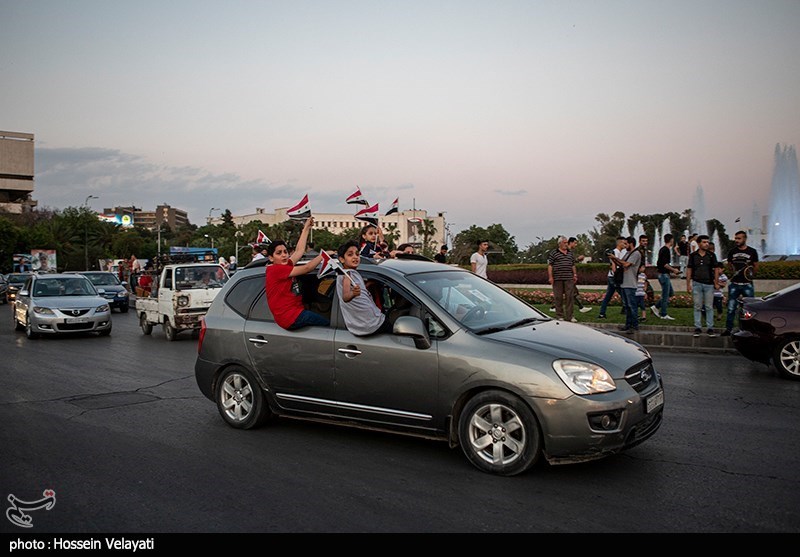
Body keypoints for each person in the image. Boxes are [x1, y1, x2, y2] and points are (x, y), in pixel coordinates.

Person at [265, 217, 329, 330]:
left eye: (285, 252)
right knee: (330, 326)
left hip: (295, 312)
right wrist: (324, 256)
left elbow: (299, 251)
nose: (284, 255)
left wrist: (306, 228)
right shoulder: (275, 270)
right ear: (271, 258)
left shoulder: (286, 265)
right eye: (279, 253)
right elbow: (307, 268)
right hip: (289, 317)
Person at [335, 240, 390, 336]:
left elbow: (360, 290)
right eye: (350, 255)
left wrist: (367, 285)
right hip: (371, 324)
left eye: (357, 254)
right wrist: (353, 294)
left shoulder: (352, 273)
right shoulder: (347, 275)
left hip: (368, 323)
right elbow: (346, 296)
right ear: (342, 259)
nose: (355, 257)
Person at [722, 230, 759, 336]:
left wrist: (750, 275)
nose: (737, 240)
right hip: (735, 284)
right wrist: (733, 272)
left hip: (747, 284)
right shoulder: (732, 252)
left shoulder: (752, 251)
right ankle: (729, 329)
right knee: (731, 308)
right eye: (736, 238)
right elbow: (729, 264)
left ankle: (750, 329)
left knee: (749, 308)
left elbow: (756, 266)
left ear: (745, 239)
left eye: (739, 238)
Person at [686, 234, 720, 337]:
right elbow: (689, 269)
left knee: (709, 306)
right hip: (697, 283)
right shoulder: (693, 256)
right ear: (698, 243)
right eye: (704, 242)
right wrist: (688, 284)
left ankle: (710, 327)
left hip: (709, 284)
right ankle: (698, 327)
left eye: (707, 242)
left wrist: (716, 282)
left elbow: (716, 269)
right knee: (697, 306)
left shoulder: (711, 255)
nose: (706, 244)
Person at [608, 236, 641, 334]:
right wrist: (613, 259)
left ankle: (634, 325)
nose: (624, 246)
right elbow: (620, 263)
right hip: (624, 283)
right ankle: (628, 324)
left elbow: (626, 264)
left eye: (626, 244)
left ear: (631, 243)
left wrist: (615, 258)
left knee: (632, 305)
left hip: (630, 283)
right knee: (627, 306)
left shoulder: (636, 253)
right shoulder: (627, 253)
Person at [547, 236, 578, 322]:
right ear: (559, 244)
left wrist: (575, 275)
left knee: (570, 297)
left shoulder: (570, 253)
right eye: (564, 243)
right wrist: (550, 277)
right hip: (557, 279)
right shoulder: (554, 253)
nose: (566, 244)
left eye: (566, 243)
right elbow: (550, 266)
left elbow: (573, 265)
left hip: (569, 278)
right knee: (558, 297)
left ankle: (570, 316)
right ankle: (559, 315)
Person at [598, 236, 628, 319]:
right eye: (624, 243)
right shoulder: (615, 252)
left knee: (608, 296)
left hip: (612, 277)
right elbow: (613, 265)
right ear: (619, 243)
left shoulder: (620, 252)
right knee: (624, 294)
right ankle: (627, 311)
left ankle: (602, 313)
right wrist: (616, 275)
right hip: (613, 277)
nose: (625, 245)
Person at [652, 233, 680, 320]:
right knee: (665, 295)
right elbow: (665, 264)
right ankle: (663, 314)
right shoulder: (665, 250)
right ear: (671, 240)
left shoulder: (663, 250)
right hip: (664, 275)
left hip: (664, 274)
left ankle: (656, 307)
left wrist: (671, 272)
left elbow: (660, 263)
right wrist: (674, 270)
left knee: (670, 293)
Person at [566, 237, 591, 313]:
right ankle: (581, 307)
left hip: (568, 275)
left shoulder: (569, 251)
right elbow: (570, 262)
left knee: (571, 292)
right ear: (571, 242)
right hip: (567, 275)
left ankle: (581, 307)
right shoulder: (567, 251)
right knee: (572, 292)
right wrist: (578, 259)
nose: (576, 245)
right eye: (575, 243)